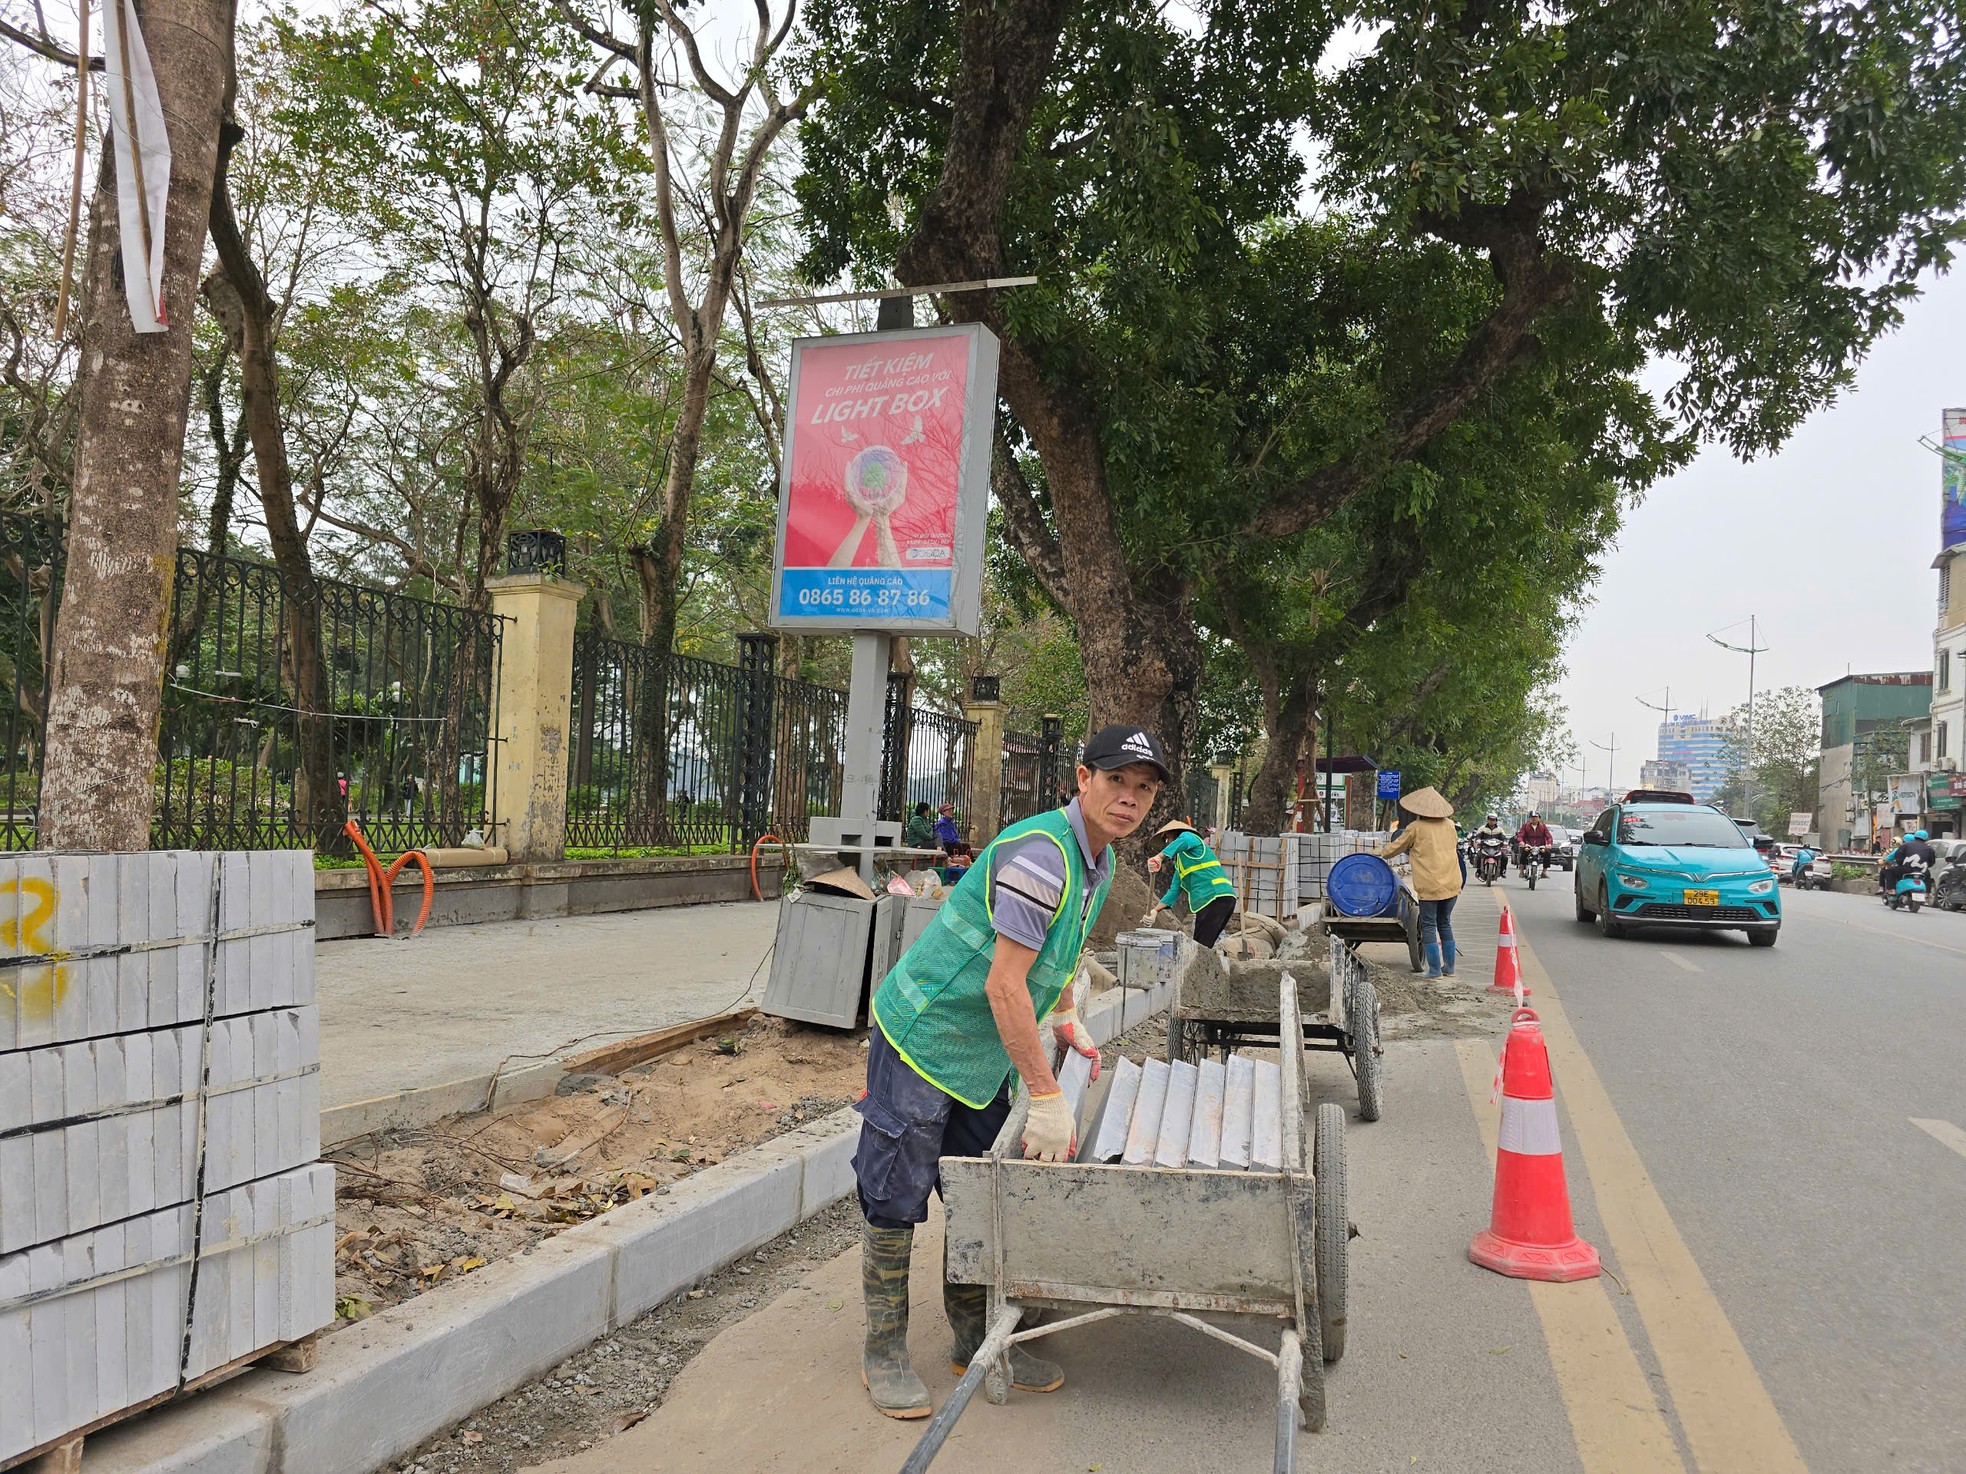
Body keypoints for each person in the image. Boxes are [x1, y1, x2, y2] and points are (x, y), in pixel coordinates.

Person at [851, 724, 1169, 1419]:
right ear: (1083, 779)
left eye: (1143, 789)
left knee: (980, 1187)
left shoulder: (1101, 862)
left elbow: (1056, 956)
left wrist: (1062, 1014)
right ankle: (883, 1349)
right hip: (924, 1035)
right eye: (1117, 781)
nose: (1130, 799)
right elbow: (1002, 987)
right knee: (896, 1193)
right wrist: (1048, 1094)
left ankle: (973, 1333)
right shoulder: (1040, 857)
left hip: (981, 1049)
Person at [1380, 786, 1463, 977]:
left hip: (1430, 885)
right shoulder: (1450, 825)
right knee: (1445, 923)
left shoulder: (1415, 828)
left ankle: (1434, 969)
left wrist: (1378, 853)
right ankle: (1449, 968)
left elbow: (1395, 848)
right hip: (1451, 882)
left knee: (1428, 925)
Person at [1147, 817, 1238, 946]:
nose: (1167, 844)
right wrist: (1155, 911)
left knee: (1201, 947)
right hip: (1216, 901)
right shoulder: (1180, 864)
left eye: (1166, 839)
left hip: (1214, 897)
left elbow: (1184, 840)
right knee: (1203, 945)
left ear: (1172, 835)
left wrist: (1159, 857)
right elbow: (1173, 892)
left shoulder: (1189, 837)